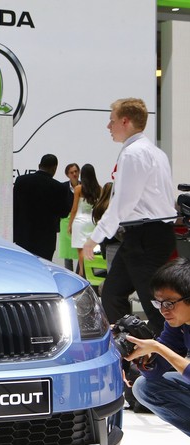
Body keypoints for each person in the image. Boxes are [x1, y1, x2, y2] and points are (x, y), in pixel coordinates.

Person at [83, 98, 176, 336]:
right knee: (112, 294)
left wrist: (93, 239)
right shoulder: (154, 152)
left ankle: (161, 357)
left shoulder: (134, 154)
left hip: (146, 237)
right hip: (144, 235)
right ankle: (131, 346)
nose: (108, 126)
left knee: (155, 306)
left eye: (112, 121)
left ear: (125, 121)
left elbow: (122, 204)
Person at [124, 258, 190, 445]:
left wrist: (158, 348)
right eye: (158, 302)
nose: (163, 310)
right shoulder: (178, 323)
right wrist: (140, 357)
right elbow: (155, 371)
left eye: (169, 303)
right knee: (145, 387)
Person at [13, 154, 74, 260]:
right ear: (55, 168)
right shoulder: (58, 188)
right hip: (45, 239)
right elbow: (64, 212)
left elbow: (14, 207)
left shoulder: (21, 181)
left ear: (39, 165)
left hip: (23, 235)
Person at [68, 164, 102, 277]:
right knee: (91, 248)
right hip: (92, 221)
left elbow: (74, 209)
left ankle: (82, 272)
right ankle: (91, 273)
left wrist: (70, 224)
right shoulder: (99, 189)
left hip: (79, 221)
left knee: (81, 250)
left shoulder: (78, 189)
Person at [58, 163, 81, 271]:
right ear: (67, 175)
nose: (74, 174)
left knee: (80, 249)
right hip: (66, 221)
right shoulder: (63, 187)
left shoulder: (84, 186)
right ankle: (69, 273)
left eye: (76, 171)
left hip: (80, 220)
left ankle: (79, 273)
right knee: (67, 252)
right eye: (72, 172)